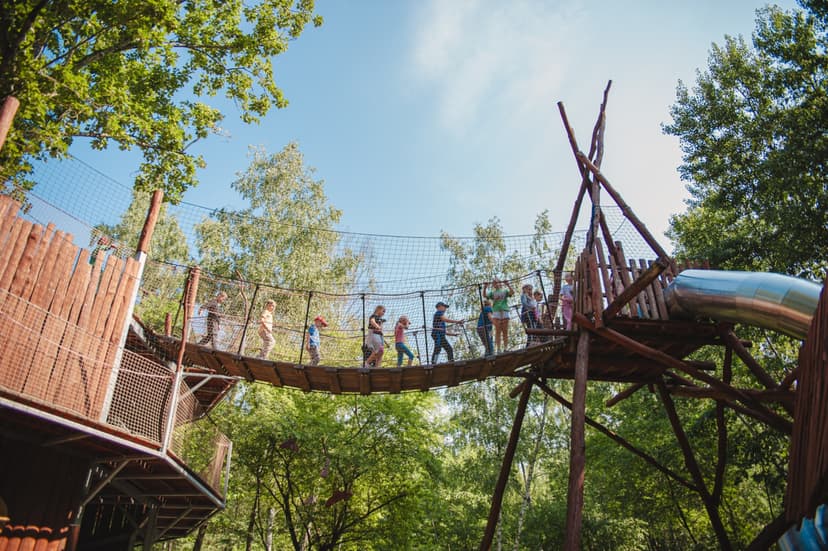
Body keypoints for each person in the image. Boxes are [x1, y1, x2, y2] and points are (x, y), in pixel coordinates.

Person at [483, 278, 514, 353]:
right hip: (496, 312)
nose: (496, 284)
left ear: (500, 283)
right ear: (493, 285)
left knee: (505, 330)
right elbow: (484, 295)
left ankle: (506, 348)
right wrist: (485, 287)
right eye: (494, 283)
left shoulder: (504, 291)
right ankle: (499, 349)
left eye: (497, 282)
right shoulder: (492, 293)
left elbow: (512, 293)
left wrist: (508, 284)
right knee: (498, 331)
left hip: (504, 310)